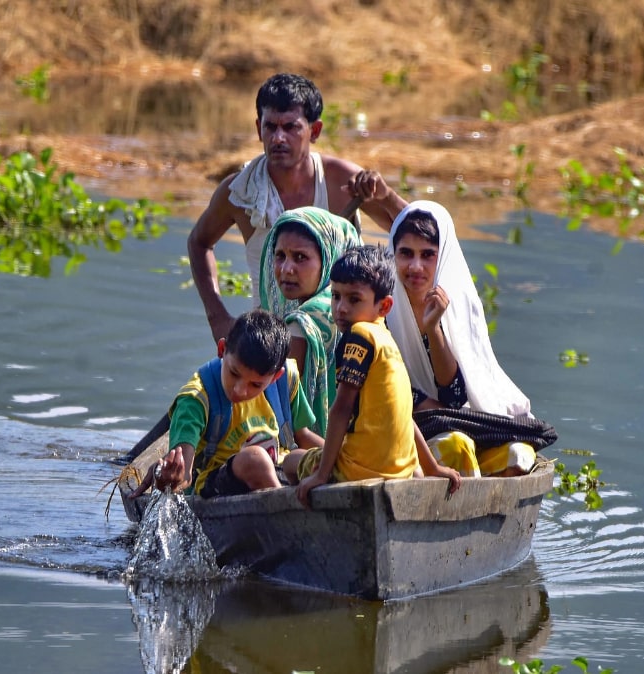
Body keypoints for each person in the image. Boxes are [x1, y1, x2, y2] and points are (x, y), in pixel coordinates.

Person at [187, 72, 407, 343]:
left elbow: (413, 231)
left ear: (314, 131)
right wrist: (218, 318)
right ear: (259, 129)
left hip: (344, 340)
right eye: (270, 127)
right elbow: (198, 243)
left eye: (291, 127)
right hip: (272, 344)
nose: (278, 138)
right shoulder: (242, 192)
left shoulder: (340, 180)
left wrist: (386, 197)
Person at [295, 246, 461, 507]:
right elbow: (405, 418)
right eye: (336, 296)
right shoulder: (387, 341)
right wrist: (433, 468)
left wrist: (321, 475)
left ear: (384, 305)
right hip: (402, 472)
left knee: (293, 459)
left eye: (354, 299)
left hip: (357, 471)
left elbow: (341, 408)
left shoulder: (359, 335)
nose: (340, 308)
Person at [385, 200, 538, 477]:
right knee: (457, 447)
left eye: (428, 255)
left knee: (519, 453)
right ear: (392, 254)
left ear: (442, 257)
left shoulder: (459, 304)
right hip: (404, 430)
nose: (416, 266)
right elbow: (384, 381)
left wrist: (433, 329)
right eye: (406, 253)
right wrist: (427, 406)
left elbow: (455, 398)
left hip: (462, 421)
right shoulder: (382, 305)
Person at [138, 309, 324, 499]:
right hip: (221, 481)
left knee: (306, 458)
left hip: (277, 470)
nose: (239, 390)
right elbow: (184, 477)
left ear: (276, 377)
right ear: (222, 350)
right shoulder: (196, 399)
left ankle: (285, 499)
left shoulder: (287, 379)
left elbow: (303, 435)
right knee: (256, 460)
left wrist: (338, 456)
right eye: (234, 373)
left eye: (255, 385)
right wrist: (170, 479)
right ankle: (286, 514)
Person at [258, 206, 362, 434]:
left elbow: (278, 411)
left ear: (329, 259)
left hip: (314, 449)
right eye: (280, 256)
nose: (286, 268)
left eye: (300, 257)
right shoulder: (360, 306)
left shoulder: (302, 325)